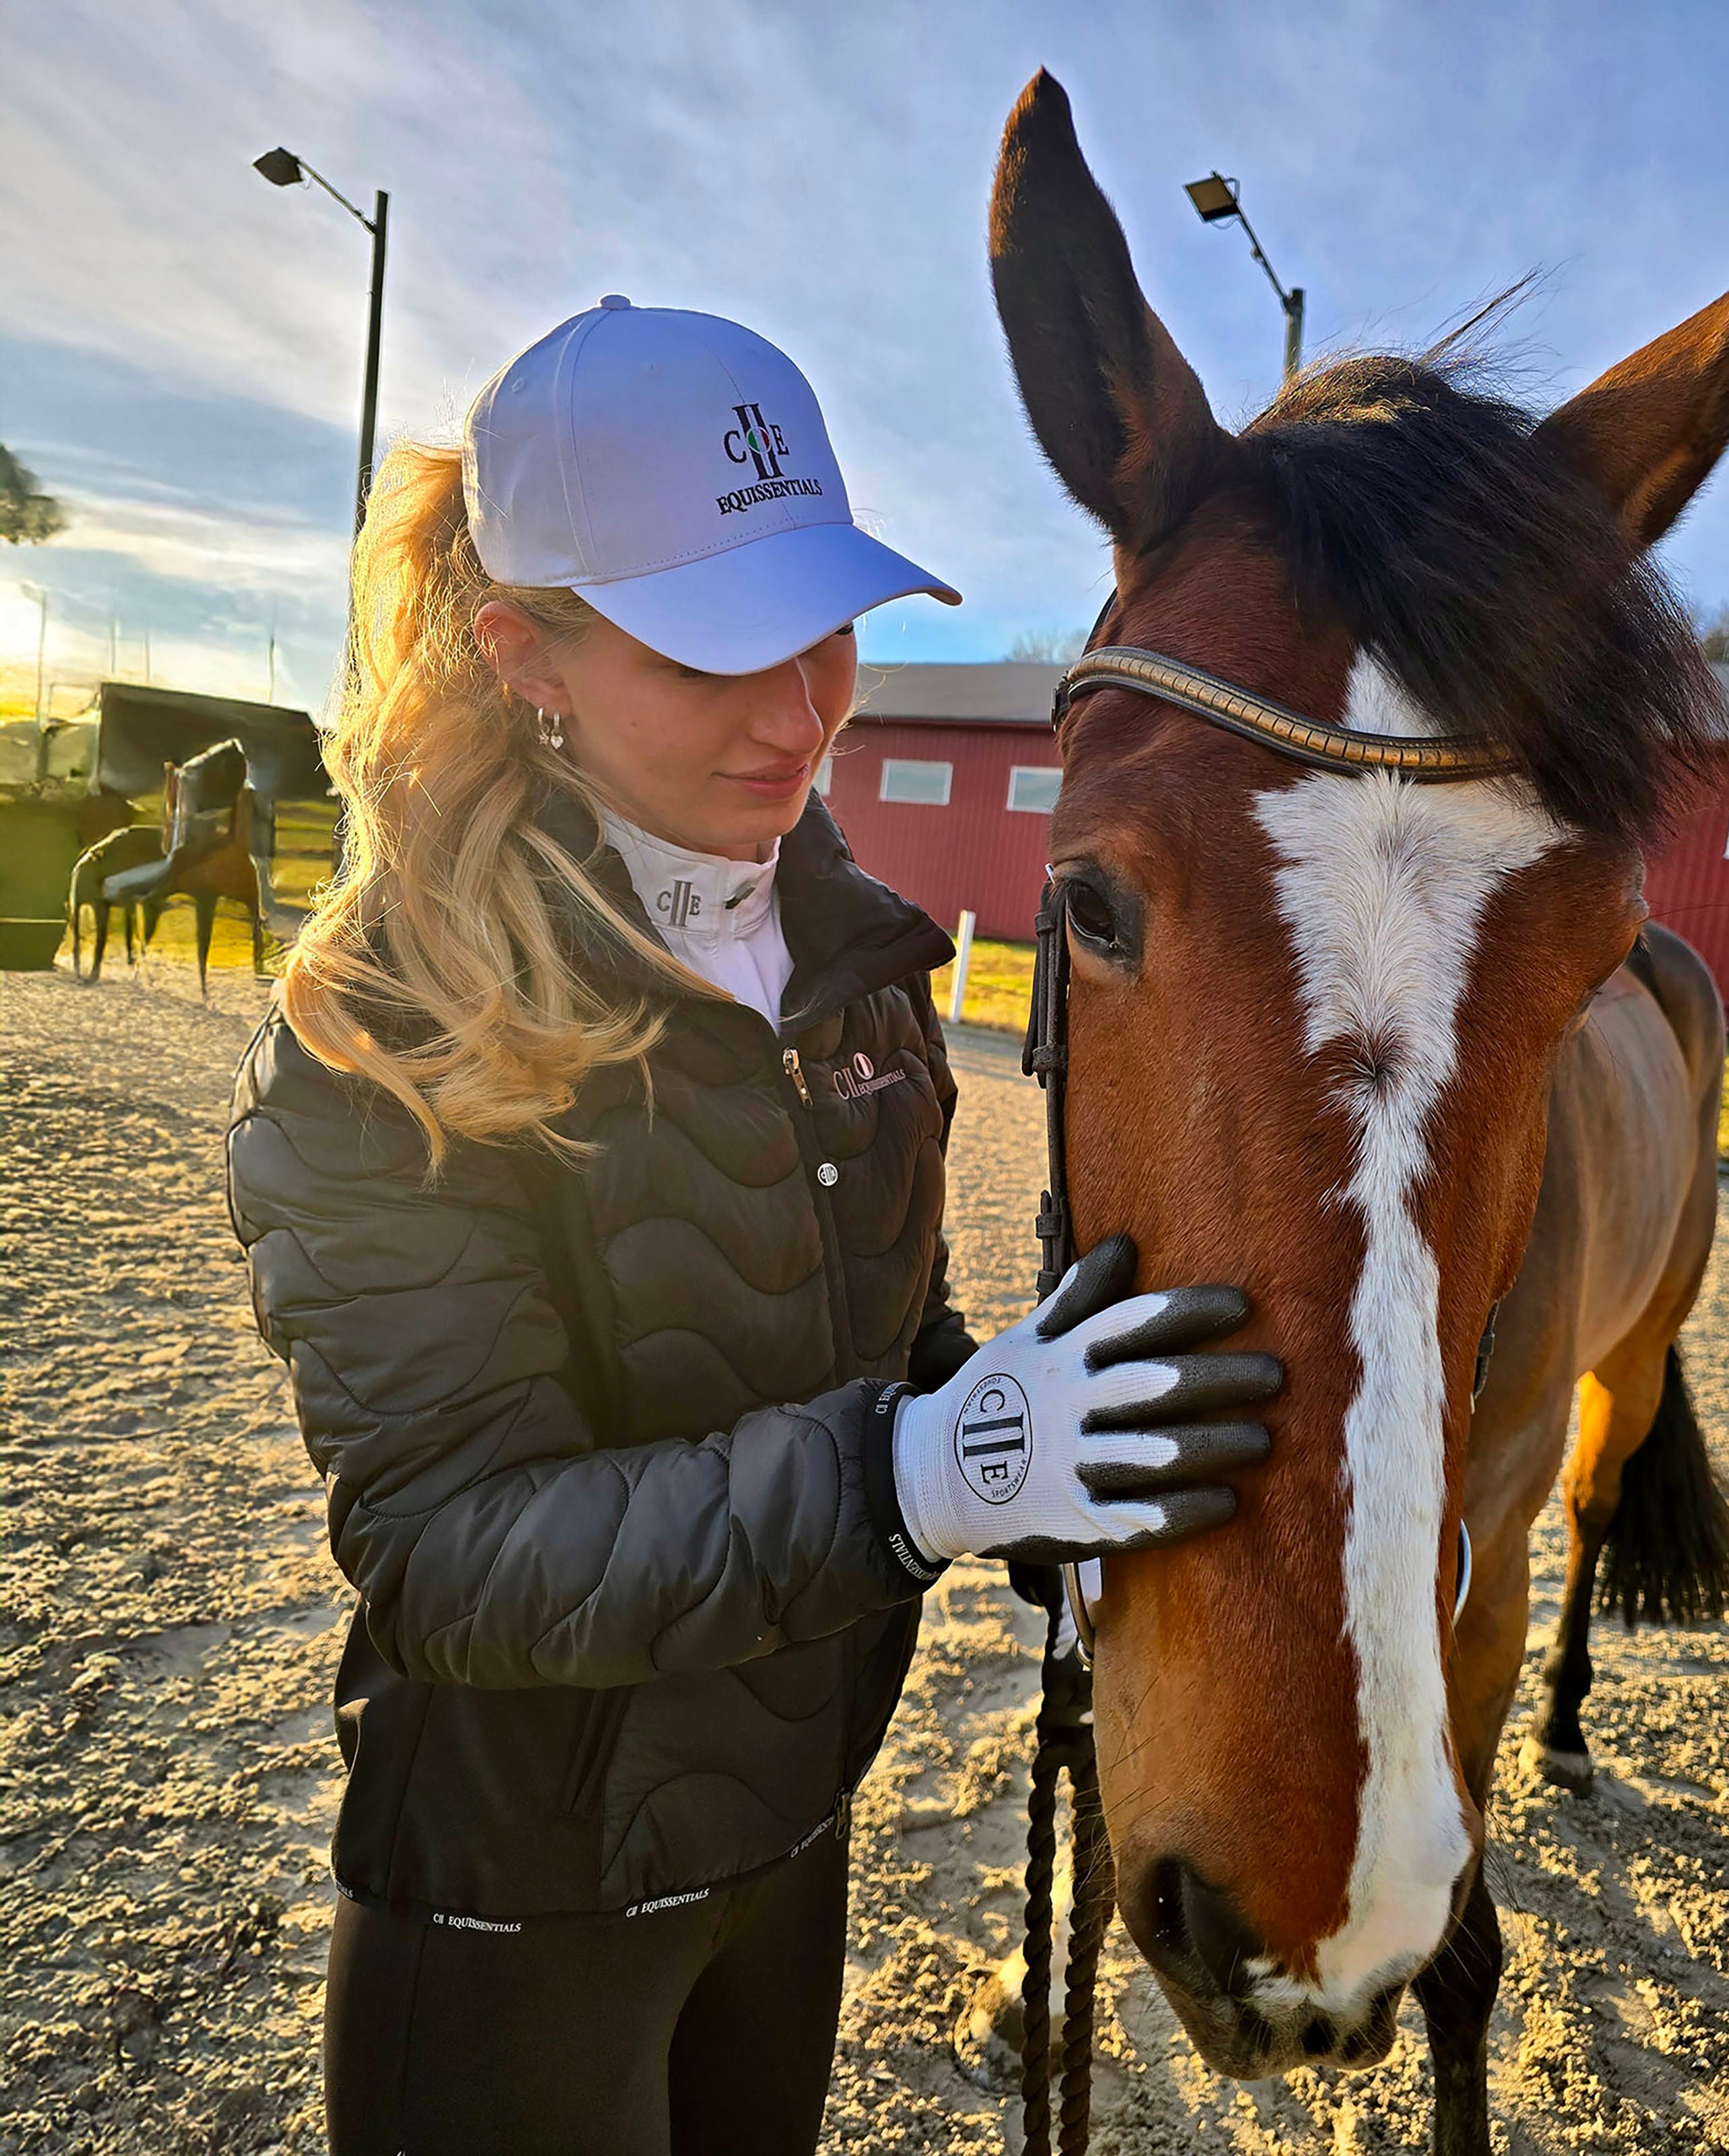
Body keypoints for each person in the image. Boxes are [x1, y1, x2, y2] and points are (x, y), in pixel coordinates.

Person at [225, 297, 1280, 2156]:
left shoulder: (858, 961)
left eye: (825, 630)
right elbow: (446, 1551)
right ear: (520, 650)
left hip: (791, 1832)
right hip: (514, 1903)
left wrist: (1045, 1437)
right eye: (714, 651)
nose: (800, 712)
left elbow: (881, 1354)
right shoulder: (386, 1028)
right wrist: (912, 1481)